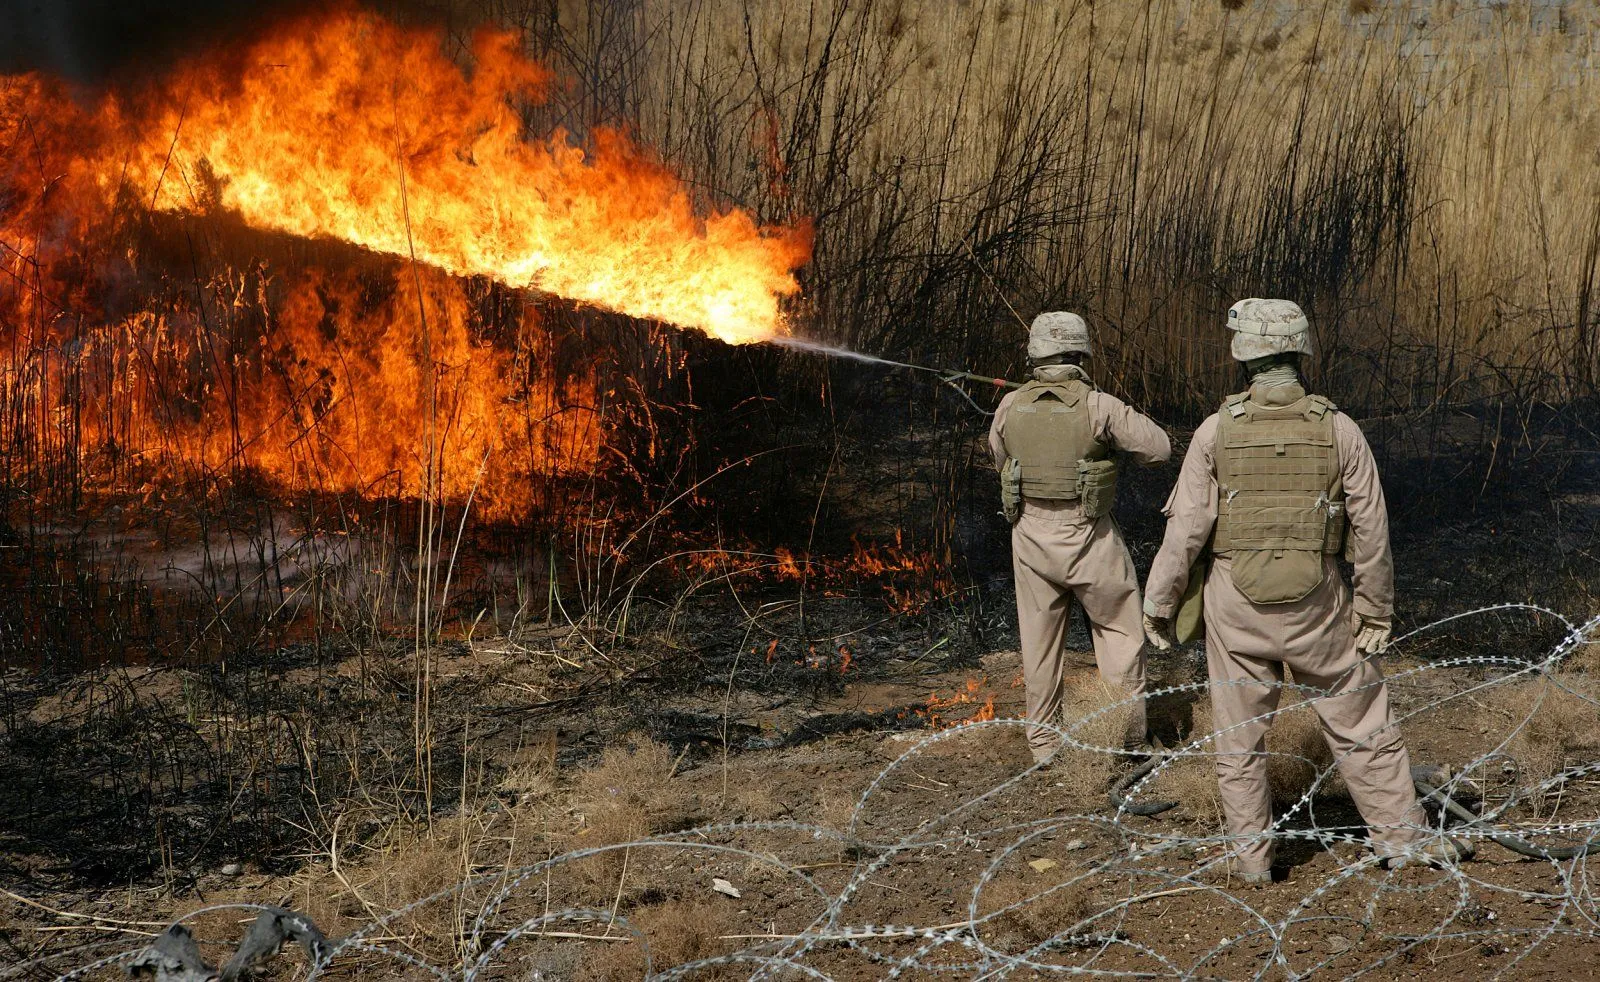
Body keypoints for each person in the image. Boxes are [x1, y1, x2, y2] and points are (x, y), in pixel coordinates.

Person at [1141, 298, 1466, 883]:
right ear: (1299, 350)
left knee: (1239, 740)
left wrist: (1160, 601)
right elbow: (1370, 529)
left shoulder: (1216, 432)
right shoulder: (1340, 429)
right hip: (1319, 604)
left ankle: (1252, 862)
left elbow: (1187, 528)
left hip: (1234, 606)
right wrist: (1374, 606)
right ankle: (1401, 841)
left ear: (1242, 355)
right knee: (1363, 722)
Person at [989, 311, 1171, 764]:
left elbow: (999, 455)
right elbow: (1159, 448)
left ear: (1035, 354)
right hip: (1088, 534)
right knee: (1118, 632)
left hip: (1029, 534)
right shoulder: (1098, 405)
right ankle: (1127, 740)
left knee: (1039, 642)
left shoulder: (1010, 405)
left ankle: (1046, 746)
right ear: (1080, 352)